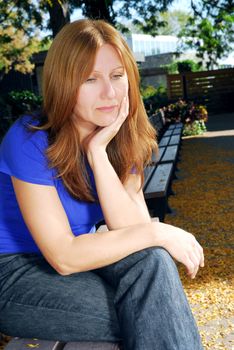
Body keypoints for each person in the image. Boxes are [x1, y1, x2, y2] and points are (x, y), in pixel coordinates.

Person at [0, 19, 204, 350]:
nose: (109, 93)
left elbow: (133, 233)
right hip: (15, 272)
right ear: (64, 84)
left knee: (152, 268)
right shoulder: (29, 139)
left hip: (83, 257)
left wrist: (98, 153)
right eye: (90, 79)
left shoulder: (121, 139)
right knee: (150, 311)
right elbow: (63, 255)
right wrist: (159, 231)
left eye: (116, 76)